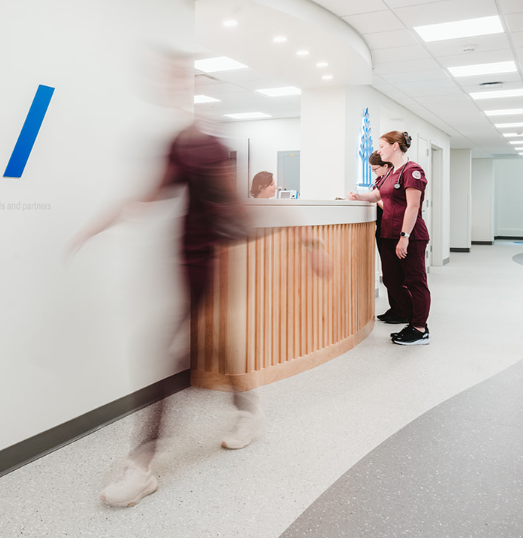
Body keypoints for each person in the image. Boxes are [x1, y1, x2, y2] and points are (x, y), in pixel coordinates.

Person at [70, 75, 331, 506]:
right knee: (214, 345)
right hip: (187, 263)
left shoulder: (210, 147)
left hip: (216, 261)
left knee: (170, 355)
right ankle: (250, 410)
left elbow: (242, 207)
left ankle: (142, 464)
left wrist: (308, 242)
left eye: (183, 82)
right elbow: (151, 193)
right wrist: (100, 224)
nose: (174, 89)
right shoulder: (178, 144)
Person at [347, 131, 430, 346]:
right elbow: (377, 195)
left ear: (395, 146)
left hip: (409, 235)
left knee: (415, 282)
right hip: (388, 235)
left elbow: (413, 207)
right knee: (391, 280)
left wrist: (405, 236)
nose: (379, 150)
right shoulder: (390, 172)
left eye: (382, 146)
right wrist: (359, 196)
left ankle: (420, 329)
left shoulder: (412, 171)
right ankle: (411, 321)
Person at [366, 152, 407, 325]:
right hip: (383, 231)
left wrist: (375, 198)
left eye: (375, 169)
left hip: (394, 231)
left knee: (395, 274)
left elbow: (392, 207)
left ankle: (403, 311)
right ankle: (396, 309)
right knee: (389, 274)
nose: (374, 173)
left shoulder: (395, 181)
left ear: (386, 166)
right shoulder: (381, 181)